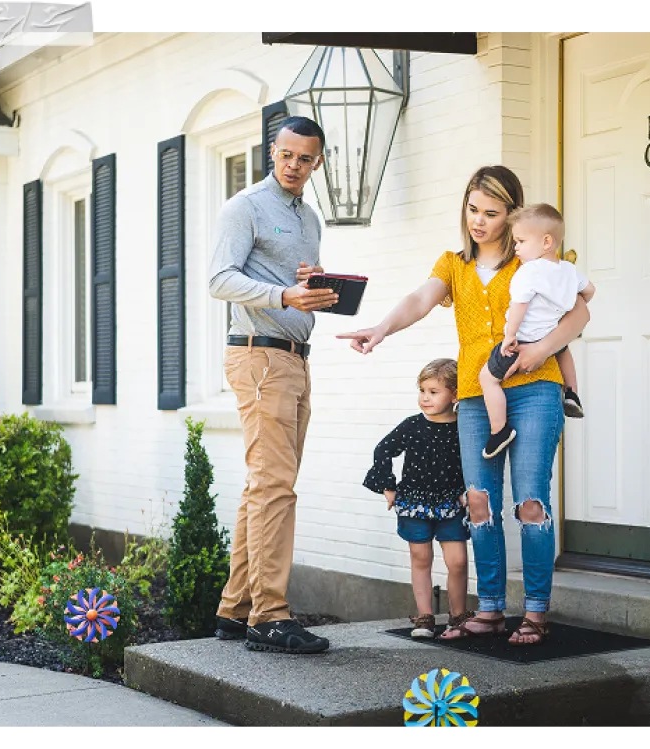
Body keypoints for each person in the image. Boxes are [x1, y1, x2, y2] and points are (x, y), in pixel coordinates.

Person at [337, 165, 590, 646]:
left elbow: (581, 310)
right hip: (476, 396)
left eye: (491, 213)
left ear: (511, 214)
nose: (479, 221)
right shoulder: (453, 265)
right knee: (478, 501)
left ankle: (535, 612)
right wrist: (380, 329)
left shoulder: (532, 257)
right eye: (473, 210)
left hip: (537, 388)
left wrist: (539, 350)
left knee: (531, 500)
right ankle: (490, 608)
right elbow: (419, 299)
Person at [208, 116, 341, 655]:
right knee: (274, 487)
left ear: (318, 162)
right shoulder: (245, 206)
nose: (294, 166)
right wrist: (285, 297)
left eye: (305, 159)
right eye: (286, 155)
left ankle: (236, 609)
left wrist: (312, 287)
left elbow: (289, 281)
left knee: (264, 486)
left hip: (294, 360)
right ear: (273, 151)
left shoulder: (309, 217)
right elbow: (220, 279)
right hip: (259, 356)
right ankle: (270, 615)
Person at [362, 358, 473, 639]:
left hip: (451, 504)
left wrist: (467, 489)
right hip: (414, 502)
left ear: (455, 394)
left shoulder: (464, 428)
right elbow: (382, 450)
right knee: (420, 556)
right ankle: (424, 617)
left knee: (458, 560)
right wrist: (387, 486)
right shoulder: (412, 426)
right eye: (422, 390)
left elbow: (474, 460)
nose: (425, 397)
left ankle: (458, 616)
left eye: (434, 392)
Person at [479, 203, 595, 459]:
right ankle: (572, 392)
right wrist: (569, 302)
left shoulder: (528, 272)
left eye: (520, 241)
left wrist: (510, 335)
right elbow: (590, 291)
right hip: (551, 333)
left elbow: (519, 307)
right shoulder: (568, 269)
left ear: (546, 242)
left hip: (525, 339)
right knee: (563, 350)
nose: (516, 247)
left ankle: (499, 430)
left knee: (487, 378)